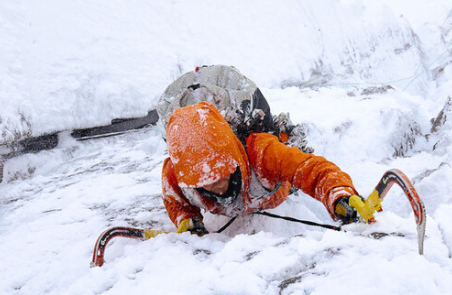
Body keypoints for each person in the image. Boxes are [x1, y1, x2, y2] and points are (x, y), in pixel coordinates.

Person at [156, 66, 374, 235]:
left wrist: (339, 196)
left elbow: (312, 170)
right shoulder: (180, 177)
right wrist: (187, 219)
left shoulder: (262, 152)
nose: (218, 184)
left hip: (275, 185)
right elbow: (175, 201)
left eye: (223, 174)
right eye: (207, 181)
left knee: (290, 158)